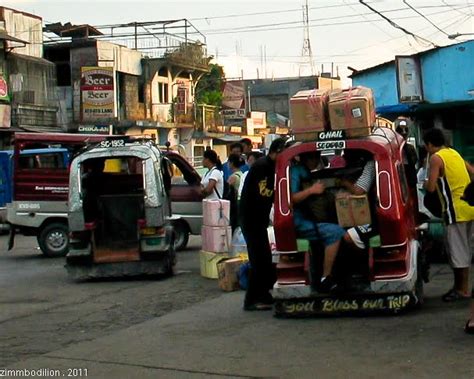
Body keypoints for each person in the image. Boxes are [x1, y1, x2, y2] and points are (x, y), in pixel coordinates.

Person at [423, 128, 474, 303]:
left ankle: (462, 289)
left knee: (458, 252)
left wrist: (425, 181)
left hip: (454, 210)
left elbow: (430, 187)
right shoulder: (454, 153)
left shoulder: (436, 158)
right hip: (469, 207)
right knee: (465, 249)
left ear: (429, 144)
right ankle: (461, 288)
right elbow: (471, 171)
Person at [239, 138, 286, 311]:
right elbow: (265, 192)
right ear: (277, 151)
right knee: (258, 260)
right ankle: (251, 300)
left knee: (265, 259)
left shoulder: (271, 167)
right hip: (251, 218)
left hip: (259, 220)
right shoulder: (262, 167)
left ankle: (264, 295)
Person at [290, 152, 346, 292]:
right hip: (300, 222)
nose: (316, 160)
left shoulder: (306, 172)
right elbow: (291, 199)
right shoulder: (295, 172)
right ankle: (325, 277)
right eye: (312, 157)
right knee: (336, 232)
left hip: (310, 218)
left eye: (317, 157)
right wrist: (311, 191)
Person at [337, 150, 377, 250]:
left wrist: (345, 182)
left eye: (347, 153)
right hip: (368, 212)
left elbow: (359, 191)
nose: (345, 156)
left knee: (348, 236)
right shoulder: (362, 165)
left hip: (377, 217)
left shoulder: (371, 164)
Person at [227, 153, 246, 231]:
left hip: (234, 205)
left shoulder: (233, 177)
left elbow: (227, 191)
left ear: (231, 163)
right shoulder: (242, 174)